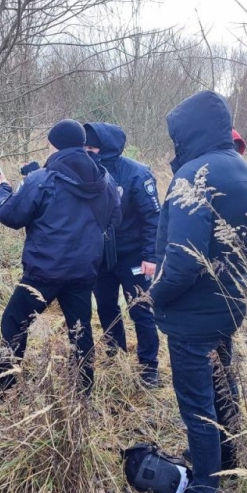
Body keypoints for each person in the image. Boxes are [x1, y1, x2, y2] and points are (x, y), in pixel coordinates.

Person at [146, 91, 247, 493]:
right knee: (221, 386)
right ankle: (226, 457)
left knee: (197, 405)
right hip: (227, 303)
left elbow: (185, 260)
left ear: (189, 131)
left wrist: (151, 296)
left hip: (193, 314)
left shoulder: (195, 175)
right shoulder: (242, 168)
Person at [0, 120, 121, 399]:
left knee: (14, 322)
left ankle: (3, 387)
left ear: (53, 144)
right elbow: (116, 217)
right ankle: (84, 393)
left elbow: (10, 216)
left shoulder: (42, 179)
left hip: (45, 271)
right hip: (84, 270)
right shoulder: (105, 180)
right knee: (80, 329)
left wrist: (3, 190)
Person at [83, 123, 161, 388]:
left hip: (134, 256)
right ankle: (114, 353)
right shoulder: (85, 172)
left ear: (105, 148)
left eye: (92, 148)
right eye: (85, 147)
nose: (87, 152)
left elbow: (153, 217)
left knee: (141, 309)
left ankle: (149, 367)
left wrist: (150, 256)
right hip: (101, 256)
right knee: (105, 307)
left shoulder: (137, 174)